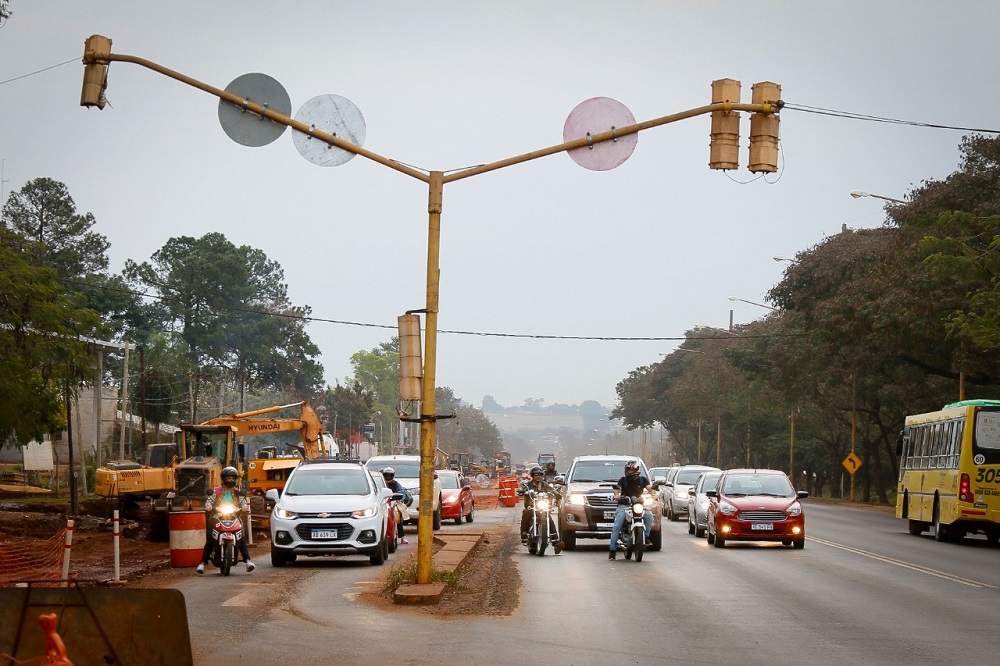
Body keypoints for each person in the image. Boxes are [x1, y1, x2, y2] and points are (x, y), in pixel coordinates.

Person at [196, 466, 253, 574]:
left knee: (241, 537)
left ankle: (248, 561)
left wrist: (244, 507)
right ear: (223, 479)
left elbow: (243, 502)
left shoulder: (238, 492)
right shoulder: (216, 491)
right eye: (228, 478)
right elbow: (210, 501)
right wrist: (208, 506)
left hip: (234, 517)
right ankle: (202, 563)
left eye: (232, 478)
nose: (230, 480)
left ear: (235, 479)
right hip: (217, 516)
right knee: (210, 539)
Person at [608, 459, 654, 560]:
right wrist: (617, 495)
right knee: (617, 525)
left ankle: (646, 537)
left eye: (631, 470)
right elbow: (617, 489)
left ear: (636, 471)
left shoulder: (643, 480)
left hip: (638, 505)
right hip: (624, 506)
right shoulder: (623, 480)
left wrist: (653, 494)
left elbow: (650, 488)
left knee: (649, 516)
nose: (629, 472)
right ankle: (612, 549)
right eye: (628, 470)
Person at [517, 466, 562, 553]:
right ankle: (524, 534)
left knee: (548, 517)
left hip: (542, 507)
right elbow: (522, 488)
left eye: (540, 475)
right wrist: (521, 491)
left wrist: (556, 494)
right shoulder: (528, 485)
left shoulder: (545, 484)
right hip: (531, 507)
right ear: (532, 476)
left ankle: (556, 542)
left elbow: (552, 490)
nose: (538, 476)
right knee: (526, 513)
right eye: (536, 475)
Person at [381, 467, 412, 545]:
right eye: (386, 475)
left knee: (397, 517)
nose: (388, 477)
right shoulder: (381, 483)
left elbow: (402, 494)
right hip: (381, 504)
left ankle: (402, 537)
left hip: (393, 503)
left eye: (390, 475)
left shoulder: (396, 484)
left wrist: (396, 498)